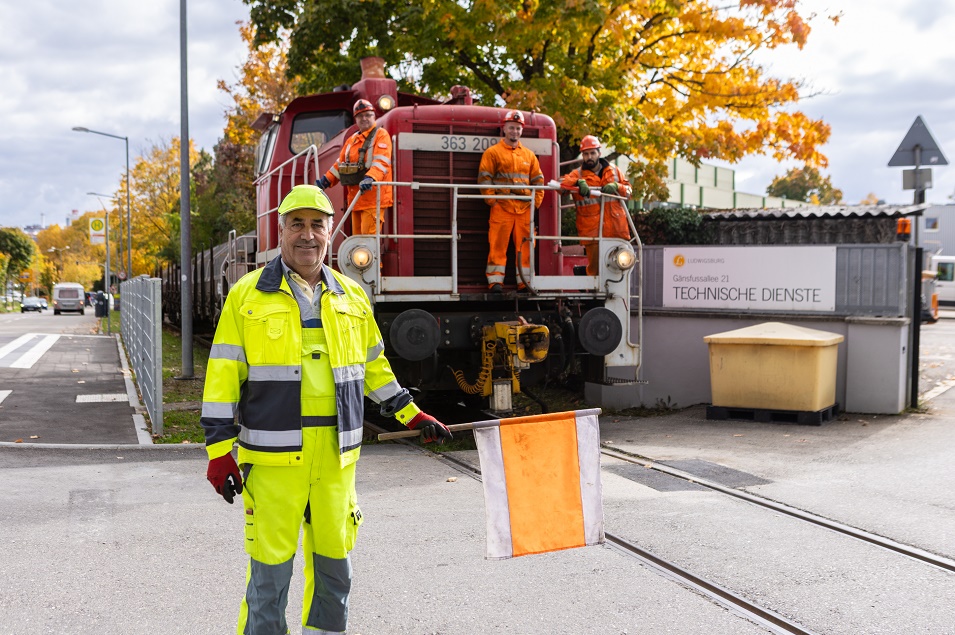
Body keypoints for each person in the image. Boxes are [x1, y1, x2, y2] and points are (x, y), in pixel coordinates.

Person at [201, 184, 451, 634]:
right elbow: (222, 375)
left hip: (338, 460)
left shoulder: (352, 297)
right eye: (297, 224)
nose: (307, 235)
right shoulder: (247, 296)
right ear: (280, 232)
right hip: (274, 462)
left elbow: (373, 366)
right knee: (269, 578)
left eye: (317, 225)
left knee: (336, 573)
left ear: (331, 232)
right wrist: (219, 450)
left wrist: (410, 413)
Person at [477, 109, 545, 293]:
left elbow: (539, 181)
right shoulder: (493, 153)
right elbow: (484, 179)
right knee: (497, 245)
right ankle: (495, 282)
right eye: (511, 128)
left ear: (521, 131)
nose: (515, 131)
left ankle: (524, 282)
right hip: (502, 207)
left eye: (518, 128)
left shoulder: (529, 156)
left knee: (526, 247)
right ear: (504, 129)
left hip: (524, 209)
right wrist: (493, 202)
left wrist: (535, 204)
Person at [317, 99, 393, 235]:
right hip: (355, 200)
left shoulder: (381, 135)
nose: (364, 118)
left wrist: (370, 178)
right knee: (357, 243)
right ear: (356, 119)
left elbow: (382, 162)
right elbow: (340, 165)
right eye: (360, 116)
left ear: (374, 116)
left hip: (373, 199)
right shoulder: (351, 140)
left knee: (367, 243)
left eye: (368, 115)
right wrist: (325, 181)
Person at [560, 135, 632, 275]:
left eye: (592, 153)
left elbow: (628, 191)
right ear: (582, 155)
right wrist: (576, 183)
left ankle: (585, 276)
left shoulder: (614, 171)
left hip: (616, 230)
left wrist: (617, 186)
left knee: (619, 269)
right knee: (596, 270)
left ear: (599, 153)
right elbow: (561, 184)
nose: (589, 157)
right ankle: (588, 285)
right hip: (592, 232)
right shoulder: (577, 174)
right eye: (586, 154)